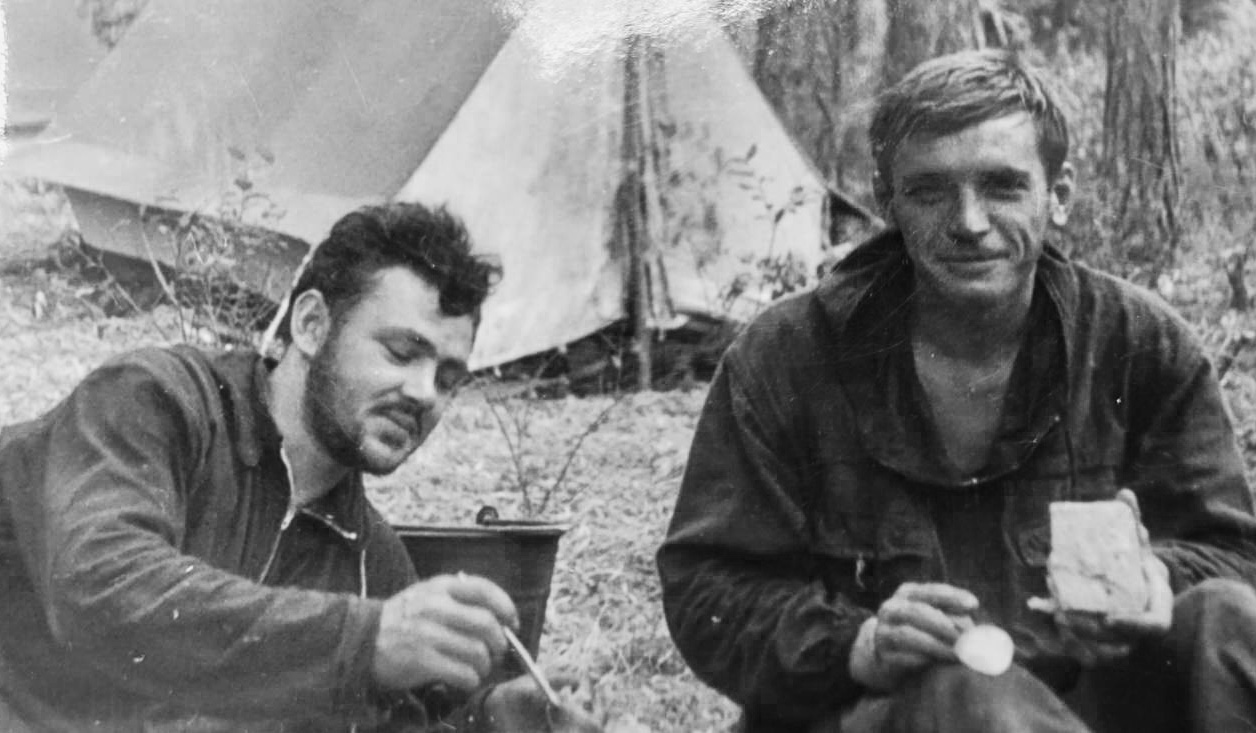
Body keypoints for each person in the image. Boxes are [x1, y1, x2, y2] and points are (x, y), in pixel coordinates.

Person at [657, 49, 1256, 733]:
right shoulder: (786, 357)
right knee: (970, 695)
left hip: (1087, 703)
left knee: (1230, 619)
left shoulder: (1139, 344)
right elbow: (706, 585)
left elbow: (1235, 554)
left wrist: (1153, 581)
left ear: (1058, 194)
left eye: (1002, 186)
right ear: (887, 203)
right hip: (880, 715)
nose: (969, 222)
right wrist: (859, 644)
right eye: (930, 191)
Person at [0, 202, 599, 732]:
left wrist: (486, 721)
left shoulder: (370, 559)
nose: (424, 394)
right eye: (401, 352)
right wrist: (362, 643)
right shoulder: (155, 401)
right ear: (311, 324)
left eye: (447, 378)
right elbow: (98, 589)